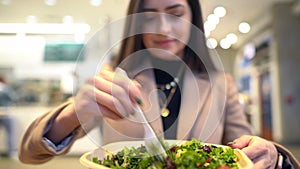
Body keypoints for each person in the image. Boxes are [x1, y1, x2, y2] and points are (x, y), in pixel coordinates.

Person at [18, 0, 299, 168]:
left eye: (175, 13)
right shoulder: (115, 79)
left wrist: (270, 154)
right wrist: (72, 112)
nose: (163, 28)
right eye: (150, 15)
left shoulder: (220, 85)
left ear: (193, 19)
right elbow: (29, 154)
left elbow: (246, 154)